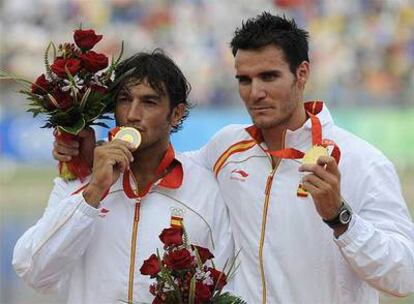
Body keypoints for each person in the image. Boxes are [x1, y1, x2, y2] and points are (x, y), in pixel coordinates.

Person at [51, 13, 414, 304]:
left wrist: (340, 217)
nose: (255, 93)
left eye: (269, 76)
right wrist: (83, 155)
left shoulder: (361, 161)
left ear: (302, 73)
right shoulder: (226, 149)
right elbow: (159, 161)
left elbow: (403, 277)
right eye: (244, 79)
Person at [12, 50, 234, 304]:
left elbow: (226, 285)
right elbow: (33, 272)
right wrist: (94, 192)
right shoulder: (81, 180)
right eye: (124, 100)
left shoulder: (205, 189)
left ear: (176, 114)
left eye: (149, 102)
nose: (132, 114)